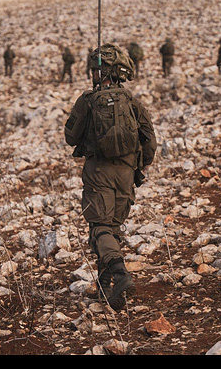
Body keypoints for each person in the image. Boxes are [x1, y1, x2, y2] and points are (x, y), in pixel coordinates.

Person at [64, 43, 157, 311]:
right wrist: (139, 168)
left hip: (99, 173)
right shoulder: (132, 103)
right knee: (111, 230)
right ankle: (106, 289)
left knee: (100, 229)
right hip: (126, 174)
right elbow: (149, 142)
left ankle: (120, 275)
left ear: (101, 72)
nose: (92, 73)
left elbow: (70, 137)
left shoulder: (88, 101)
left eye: (94, 70)